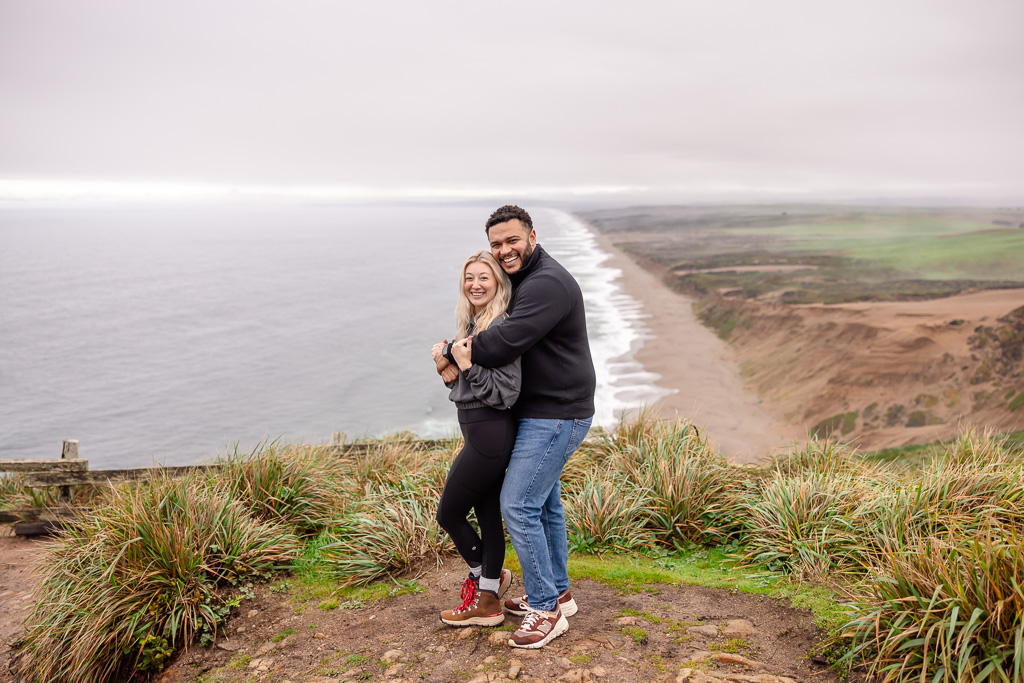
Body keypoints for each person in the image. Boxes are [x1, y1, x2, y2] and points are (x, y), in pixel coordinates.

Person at [437, 205, 596, 649]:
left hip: (557, 413)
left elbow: (504, 341)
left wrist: (451, 352)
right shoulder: (524, 278)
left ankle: (546, 610)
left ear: (532, 236)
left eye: (512, 240)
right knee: (544, 506)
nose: (505, 250)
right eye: (496, 244)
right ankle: (558, 593)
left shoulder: (546, 283)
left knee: (518, 504)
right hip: (541, 410)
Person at [431, 250, 520, 627]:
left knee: (449, 513)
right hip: (479, 433)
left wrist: (463, 364)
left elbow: (505, 393)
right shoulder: (473, 325)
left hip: (490, 434)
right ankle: (488, 598)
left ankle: (484, 583)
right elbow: (464, 383)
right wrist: (447, 364)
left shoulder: (500, 329)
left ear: (498, 282)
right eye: (469, 277)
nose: (475, 284)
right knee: (486, 516)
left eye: (484, 277)